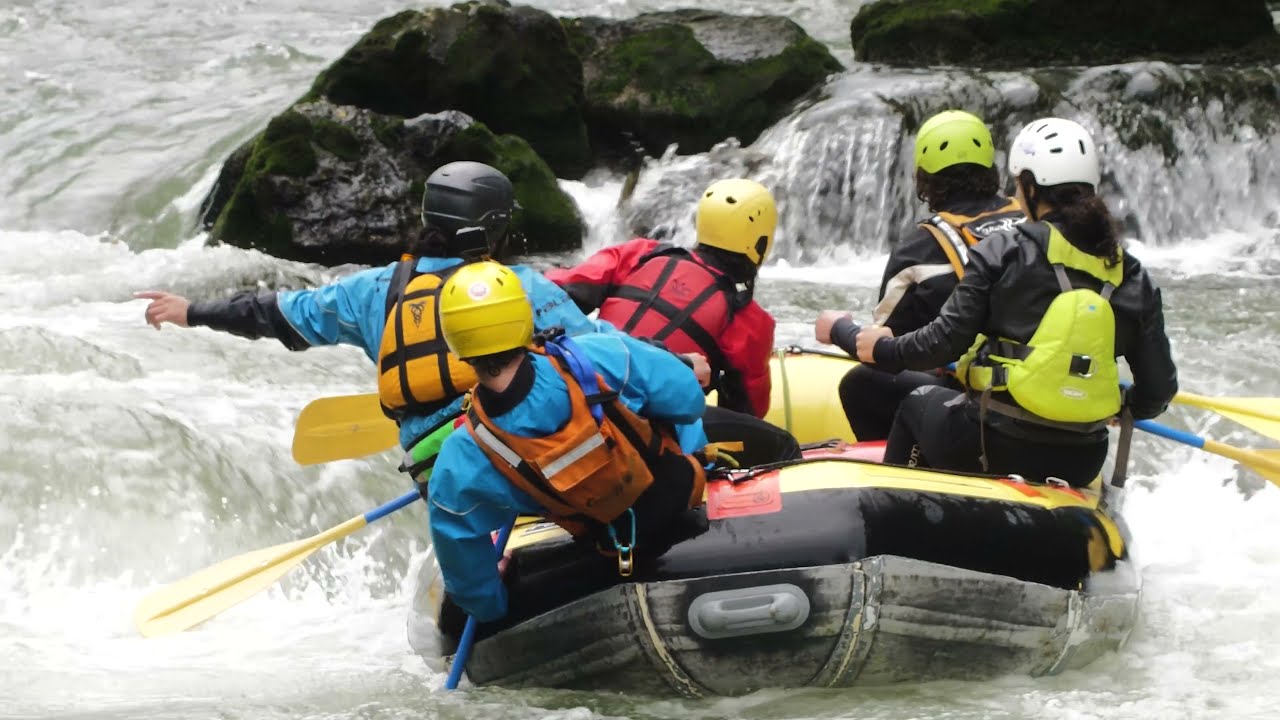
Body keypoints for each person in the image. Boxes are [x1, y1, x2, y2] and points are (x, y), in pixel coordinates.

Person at [136, 161, 603, 451]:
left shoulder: (372, 290)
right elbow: (607, 359)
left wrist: (193, 310)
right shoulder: (520, 287)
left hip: (433, 463)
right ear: (492, 230)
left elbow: (276, 313)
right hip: (522, 450)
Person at [826, 117, 1178, 486]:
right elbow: (1158, 391)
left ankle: (896, 516)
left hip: (993, 442)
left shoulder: (1004, 252)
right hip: (1083, 458)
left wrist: (883, 348)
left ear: (1027, 185)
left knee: (917, 404)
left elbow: (941, 343)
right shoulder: (1132, 273)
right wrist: (1122, 408)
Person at [426, 261, 710, 622]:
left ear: (455, 343)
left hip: (609, 548)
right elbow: (689, 402)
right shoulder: (598, 354)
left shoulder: (462, 457)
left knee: (455, 613)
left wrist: (493, 604)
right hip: (684, 500)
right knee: (767, 441)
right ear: (522, 318)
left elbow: (470, 583)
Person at [546, 178, 799, 466]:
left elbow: (554, 296)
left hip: (575, 400)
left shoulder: (638, 254)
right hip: (647, 431)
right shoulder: (747, 318)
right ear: (760, 242)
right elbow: (748, 410)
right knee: (782, 445)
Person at [815, 110, 1025, 441]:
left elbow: (881, 349)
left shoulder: (919, 250)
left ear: (923, 178)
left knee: (860, 385)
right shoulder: (1040, 225)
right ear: (992, 167)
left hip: (980, 402)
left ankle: (911, 471)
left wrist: (838, 328)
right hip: (1050, 391)